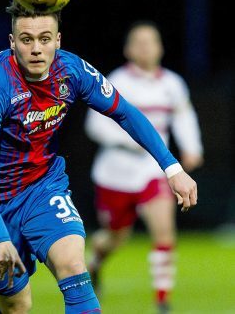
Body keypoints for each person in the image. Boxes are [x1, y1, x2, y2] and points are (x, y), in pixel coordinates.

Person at [0, 5, 198, 314]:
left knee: (74, 264)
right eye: (26, 39)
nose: (37, 49)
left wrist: (171, 167)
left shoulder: (72, 70)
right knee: (16, 305)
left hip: (42, 186)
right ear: (12, 42)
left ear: (58, 40)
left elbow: (124, 112)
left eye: (45, 38)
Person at [85, 21, 203, 313]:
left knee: (164, 230)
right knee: (115, 236)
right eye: (138, 42)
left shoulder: (172, 84)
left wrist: (192, 148)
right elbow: (95, 125)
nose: (145, 47)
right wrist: (128, 142)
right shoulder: (116, 81)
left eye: (151, 41)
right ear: (127, 49)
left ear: (161, 47)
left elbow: (184, 117)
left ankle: (162, 300)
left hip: (154, 170)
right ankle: (95, 262)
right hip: (115, 172)